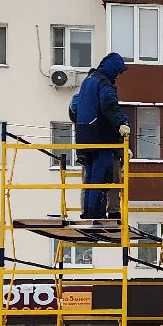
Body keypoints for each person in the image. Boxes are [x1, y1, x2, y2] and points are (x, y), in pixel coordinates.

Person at [68, 52, 130, 221]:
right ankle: (97, 214)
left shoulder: (87, 82)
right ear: (112, 68)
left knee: (90, 178)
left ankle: (89, 212)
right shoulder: (103, 83)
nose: (118, 75)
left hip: (84, 138)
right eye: (118, 71)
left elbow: (74, 110)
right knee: (102, 178)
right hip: (101, 138)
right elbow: (109, 106)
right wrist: (121, 123)